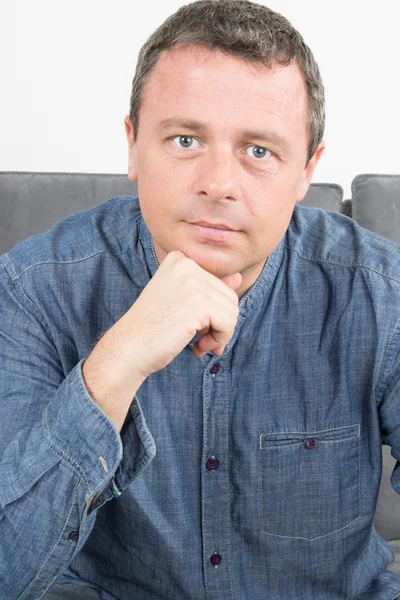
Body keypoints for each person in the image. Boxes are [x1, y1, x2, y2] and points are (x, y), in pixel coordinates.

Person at [1, 0, 400, 598]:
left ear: (306, 169)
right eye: (185, 139)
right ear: (133, 145)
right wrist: (117, 361)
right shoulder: (33, 289)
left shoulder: (382, 293)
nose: (218, 183)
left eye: (258, 151)